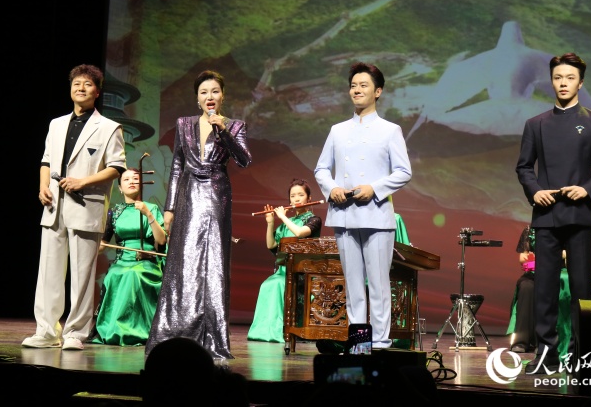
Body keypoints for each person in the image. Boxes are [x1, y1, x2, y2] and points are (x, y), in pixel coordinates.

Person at [515, 52, 591, 373]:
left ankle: (580, 357)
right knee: (544, 289)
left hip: (581, 216)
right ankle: (546, 356)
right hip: (546, 216)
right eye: (558, 77)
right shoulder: (536, 124)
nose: (563, 83)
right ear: (551, 81)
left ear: (580, 83)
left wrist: (587, 189)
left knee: (581, 290)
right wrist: (535, 191)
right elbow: (524, 167)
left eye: (570, 78)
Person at [146, 70, 252, 361]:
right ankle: (177, 331)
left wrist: (224, 131)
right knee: (185, 261)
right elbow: (176, 165)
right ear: (197, 98)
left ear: (223, 95)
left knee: (213, 261)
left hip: (217, 194)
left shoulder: (235, 125)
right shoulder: (184, 124)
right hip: (188, 194)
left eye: (215, 91)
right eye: (204, 92)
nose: (209, 96)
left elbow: (244, 160)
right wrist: (169, 207)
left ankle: (212, 336)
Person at [22, 64, 127, 351]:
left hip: (86, 205)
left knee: (82, 274)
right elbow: (46, 160)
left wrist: (83, 181)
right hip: (53, 205)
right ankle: (46, 331)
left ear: (97, 91)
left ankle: (75, 333)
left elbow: (117, 167)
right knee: (49, 272)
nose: (81, 88)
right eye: (76, 83)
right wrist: (43, 186)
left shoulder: (109, 127)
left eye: (87, 84)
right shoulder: (56, 124)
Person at [314, 62, 412, 349]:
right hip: (344, 215)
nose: (356, 90)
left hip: (376, 215)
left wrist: (375, 189)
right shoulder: (338, 130)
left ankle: (380, 342)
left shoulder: (390, 130)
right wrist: (332, 189)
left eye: (363, 85)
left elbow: (403, 171)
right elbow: (321, 169)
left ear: (377, 91)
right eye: (353, 86)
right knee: (353, 284)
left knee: (379, 284)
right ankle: (359, 342)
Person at [89, 168, 167, 346]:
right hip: (122, 261)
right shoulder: (114, 212)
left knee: (133, 275)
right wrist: (94, 246)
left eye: (135, 178)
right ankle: (114, 330)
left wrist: (147, 214)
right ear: (119, 188)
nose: (131, 181)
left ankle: (135, 330)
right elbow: (104, 243)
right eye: (126, 179)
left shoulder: (152, 208)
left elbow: (161, 240)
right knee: (113, 276)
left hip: (146, 261)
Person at [247, 178, 322, 343]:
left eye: (300, 195)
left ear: (309, 198)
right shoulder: (286, 224)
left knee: (277, 284)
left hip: (302, 273)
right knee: (268, 284)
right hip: (283, 271)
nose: (296, 199)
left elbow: (299, 233)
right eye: (293, 196)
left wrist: (282, 217)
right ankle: (264, 331)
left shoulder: (314, 220)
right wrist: (270, 223)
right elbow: (271, 245)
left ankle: (281, 330)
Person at [506, 226, 571, 357]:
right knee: (526, 287)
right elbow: (522, 256)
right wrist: (530, 258)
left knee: (549, 289)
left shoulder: (565, 230)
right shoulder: (529, 230)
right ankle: (521, 341)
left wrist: (550, 255)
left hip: (557, 272)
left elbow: (570, 254)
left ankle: (542, 342)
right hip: (534, 272)